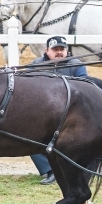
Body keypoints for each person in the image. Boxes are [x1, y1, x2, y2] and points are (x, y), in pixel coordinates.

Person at [29, 35, 88, 184]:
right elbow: (26, 87)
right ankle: (51, 170)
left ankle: (73, 168)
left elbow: (85, 87)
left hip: (71, 114)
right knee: (27, 135)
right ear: (47, 51)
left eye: (62, 49)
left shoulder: (76, 65)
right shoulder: (35, 65)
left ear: (67, 51)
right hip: (43, 114)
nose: (59, 52)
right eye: (55, 49)